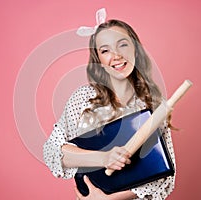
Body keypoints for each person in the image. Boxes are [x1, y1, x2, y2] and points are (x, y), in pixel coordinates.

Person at [43, 9, 176, 200]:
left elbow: (165, 178)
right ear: (99, 59)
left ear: (136, 50)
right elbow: (53, 151)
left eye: (122, 45)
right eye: (105, 50)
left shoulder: (154, 104)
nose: (116, 55)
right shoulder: (82, 100)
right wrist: (104, 158)